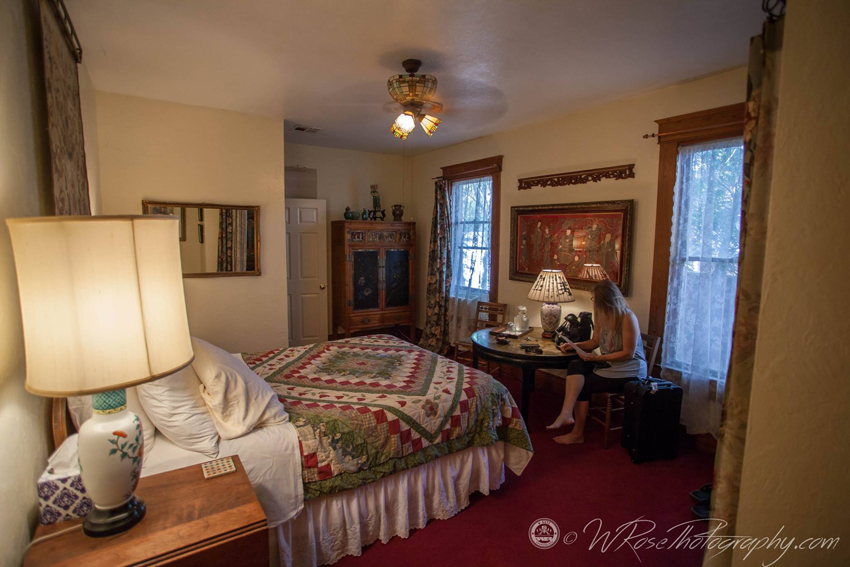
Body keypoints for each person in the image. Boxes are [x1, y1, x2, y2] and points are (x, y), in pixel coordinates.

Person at [546, 279, 647, 445]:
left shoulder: (628, 318)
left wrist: (598, 358)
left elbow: (628, 353)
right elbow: (595, 342)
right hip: (610, 365)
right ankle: (566, 413)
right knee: (575, 365)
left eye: (595, 300)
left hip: (629, 371)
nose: (594, 304)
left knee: (583, 385)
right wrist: (574, 345)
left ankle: (577, 433)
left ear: (606, 301)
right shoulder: (602, 315)